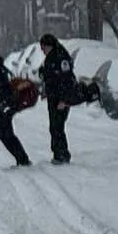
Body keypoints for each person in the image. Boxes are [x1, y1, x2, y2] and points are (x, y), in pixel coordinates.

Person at [38, 33, 79, 165]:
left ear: (49, 46)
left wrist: (64, 100)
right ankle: (58, 153)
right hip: (53, 96)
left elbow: (65, 80)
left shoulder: (61, 58)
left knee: (57, 126)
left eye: (43, 47)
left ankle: (62, 154)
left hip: (60, 98)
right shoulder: (51, 57)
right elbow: (51, 76)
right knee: (54, 126)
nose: (42, 51)